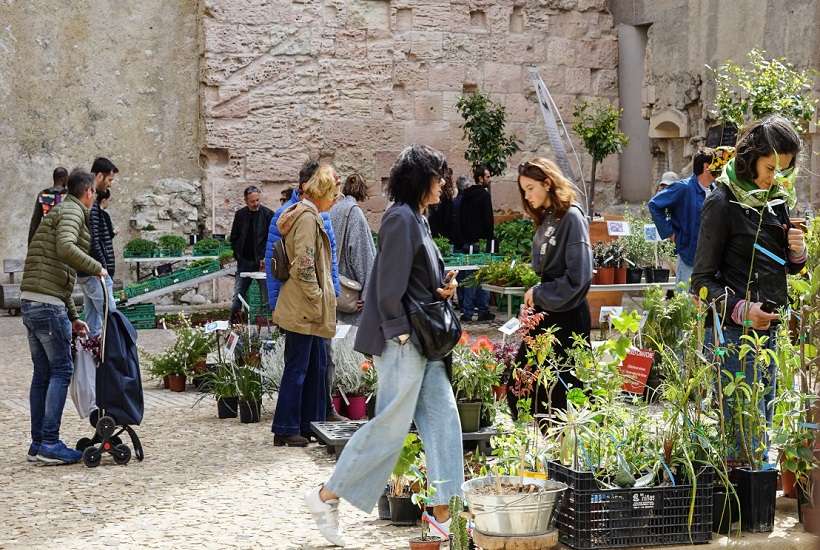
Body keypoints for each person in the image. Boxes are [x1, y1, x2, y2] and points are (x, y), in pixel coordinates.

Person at [304, 145, 463, 547]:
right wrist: (400, 331)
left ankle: (446, 515)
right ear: (421, 179)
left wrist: (444, 285)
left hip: (423, 342)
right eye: (438, 176)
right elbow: (385, 282)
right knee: (389, 428)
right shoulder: (400, 219)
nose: (443, 183)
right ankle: (326, 496)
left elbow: (415, 276)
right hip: (404, 341)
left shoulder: (418, 220)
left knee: (444, 421)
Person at [692, 115, 805, 458]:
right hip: (732, 337)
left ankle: (756, 508)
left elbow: (786, 267)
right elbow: (701, 282)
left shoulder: (774, 199)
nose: (776, 178)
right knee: (740, 436)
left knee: (762, 432)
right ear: (750, 158)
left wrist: (797, 254)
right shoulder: (722, 202)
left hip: (767, 334)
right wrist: (743, 310)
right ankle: (737, 510)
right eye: (771, 168)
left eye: (783, 171)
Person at [21, 169, 106, 464]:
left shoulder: (59, 211)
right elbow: (66, 248)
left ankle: (37, 444)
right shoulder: (72, 211)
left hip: (33, 300)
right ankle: (50, 442)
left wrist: (72, 316)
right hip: (46, 305)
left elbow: (61, 272)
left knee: (43, 374)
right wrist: (96, 266)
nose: (94, 196)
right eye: (94, 191)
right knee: (61, 370)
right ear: (88, 192)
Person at [509, 158, 593, 418]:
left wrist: (540, 293)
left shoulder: (571, 217)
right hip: (548, 314)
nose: (527, 195)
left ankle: (566, 454)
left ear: (548, 183)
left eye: (531, 188)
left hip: (567, 318)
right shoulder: (548, 218)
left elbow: (579, 278)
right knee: (523, 387)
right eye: (524, 190)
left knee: (563, 392)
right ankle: (546, 450)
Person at [271, 165, 338, 447]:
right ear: (322, 193)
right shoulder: (308, 217)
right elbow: (304, 263)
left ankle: (305, 424)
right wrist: (316, 295)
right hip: (304, 306)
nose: (335, 199)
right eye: (333, 193)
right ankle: (286, 428)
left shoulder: (305, 214)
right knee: (298, 367)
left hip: (305, 304)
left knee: (311, 366)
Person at [648, 149, 717, 286]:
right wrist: (670, 233)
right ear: (706, 167)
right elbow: (654, 205)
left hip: (713, 260)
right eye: (716, 163)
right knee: (684, 301)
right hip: (689, 257)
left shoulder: (716, 190)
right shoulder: (683, 188)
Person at [77, 157, 119, 337]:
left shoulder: (92, 202)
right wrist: (102, 268)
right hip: (95, 272)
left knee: (93, 321)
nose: (110, 185)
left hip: (91, 271)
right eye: (109, 180)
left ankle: (94, 359)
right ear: (100, 176)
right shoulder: (92, 203)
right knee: (111, 318)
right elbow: (93, 240)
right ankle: (112, 359)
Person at [329, 174, 376, 326]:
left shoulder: (334, 209)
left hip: (334, 288)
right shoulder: (355, 213)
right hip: (351, 294)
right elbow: (363, 257)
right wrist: (368, 296)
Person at [229, 186, 274, 322]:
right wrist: (238, 255)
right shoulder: (240, 215)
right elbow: (234, 237)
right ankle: (233, 325)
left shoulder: (268, 214)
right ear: (246, 201)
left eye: (257, 200)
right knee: (238, 296)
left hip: (262, 263)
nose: (256, 204)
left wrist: (265, 258)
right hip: (244, 263)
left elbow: (271, 240)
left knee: (267, 297)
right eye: (252, 201)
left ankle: (271, 327)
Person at [457, 164, 495, 322]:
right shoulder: (484, 196)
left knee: (469, 276)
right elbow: (488, 220)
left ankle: (467, 311)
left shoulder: (465, 195)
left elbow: (459, 218)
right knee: (481, 277)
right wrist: (489, 238)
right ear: (480, 178)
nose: (489, 179)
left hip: (467, 241)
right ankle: (482, 310)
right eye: (487, 176)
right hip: (479, 241)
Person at [28, 167, 68, 244]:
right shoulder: (68, 195)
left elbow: (35, 221)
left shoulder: (43, 194)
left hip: (47, 238)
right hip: (64, 237)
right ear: (63, 179)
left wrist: (30, 243)